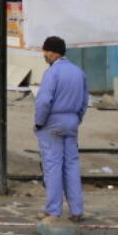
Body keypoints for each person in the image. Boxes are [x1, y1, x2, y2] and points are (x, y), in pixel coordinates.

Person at [35, 35, 90, 222]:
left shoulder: (52, 73)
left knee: (52, 166)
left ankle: (53, 210)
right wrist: (76, 119)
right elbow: (84, 101)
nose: (45, 55)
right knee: (72, 165)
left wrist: (39, 122)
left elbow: (44, 101)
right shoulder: (78, 72)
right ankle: (76, 210)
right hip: (72, 121)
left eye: (46, 52)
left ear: (52, 52)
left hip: (53, 122)